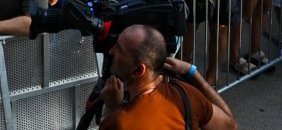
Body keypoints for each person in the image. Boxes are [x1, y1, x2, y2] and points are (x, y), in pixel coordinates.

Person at [99, 24, 238, 130]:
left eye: (119, 49)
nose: (111, 51)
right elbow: (230, 126)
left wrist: (113, 109)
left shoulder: (119, 122)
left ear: (138, 70)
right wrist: (192, 72)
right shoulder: (187, 94)